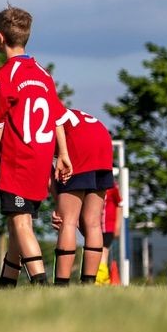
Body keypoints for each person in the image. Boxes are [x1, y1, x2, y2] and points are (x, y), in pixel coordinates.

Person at [0, 5, 72, 287]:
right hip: (41, 159)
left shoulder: (3, 76)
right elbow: (57, 117)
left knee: (22, 225)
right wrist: (64, 155)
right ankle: (5, 287)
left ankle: (42, 286)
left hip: (18, 161)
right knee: (17, 227)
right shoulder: (44, 75)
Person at [50, 108, 114, 285]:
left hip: (78, 144)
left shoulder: (35, 116)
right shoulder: (66, 110)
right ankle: (89, 283)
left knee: (67, 221)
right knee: (92, 222)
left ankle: (61, 284)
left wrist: (59, 204)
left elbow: (47, 170)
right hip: (103, 139)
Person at [95, 183, 123, 285]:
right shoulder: (93, 184)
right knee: (95, 252)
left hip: (108, 227)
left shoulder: (112, 187)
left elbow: (119, 206)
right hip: (95, 226)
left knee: (103, 252)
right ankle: (103, 278)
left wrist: (118, 226)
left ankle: (100, 279)